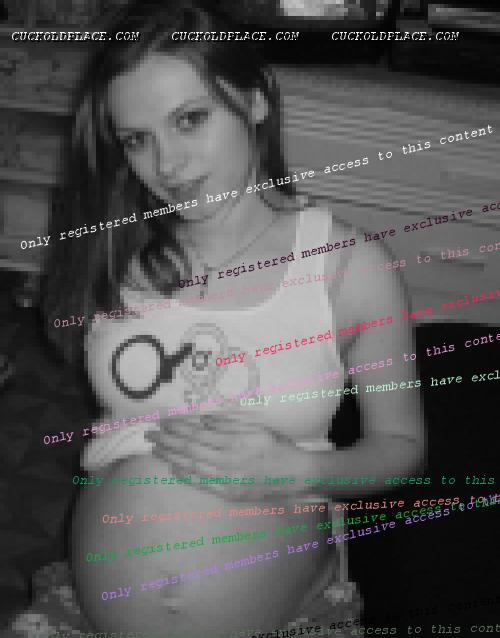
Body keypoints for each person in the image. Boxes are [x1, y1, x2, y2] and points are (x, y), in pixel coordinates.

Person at [5, 1, 423, 636]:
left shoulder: (348, 267)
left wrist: (302, 470)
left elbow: (402, 449)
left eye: (190, 120)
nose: (166, 165)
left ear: (255, 101)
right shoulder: (116, 255)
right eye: (137, 140)